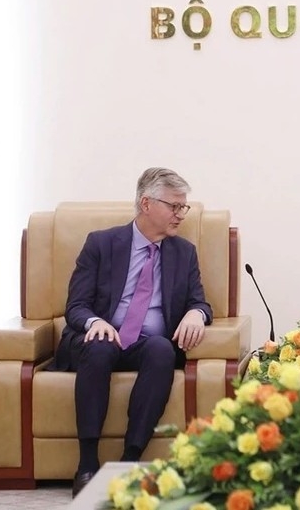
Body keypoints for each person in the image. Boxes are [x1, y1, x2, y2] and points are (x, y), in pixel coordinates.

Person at [51, 167, 213, 497]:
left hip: (147, 343)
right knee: (99, 346)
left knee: (161, 349)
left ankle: (129, 460)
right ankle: (86, 465)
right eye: (175, 206)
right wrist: (95, 322)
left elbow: (200, 302)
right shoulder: (101, 243)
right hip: (100, 339)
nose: (181, 214)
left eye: (184, 207)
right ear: (146, 203)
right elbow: (76, 306)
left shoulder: (184, 253)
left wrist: (197, 314)